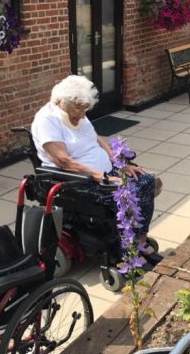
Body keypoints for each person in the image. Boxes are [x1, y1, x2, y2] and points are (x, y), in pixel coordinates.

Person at [31, 75, 160, 264]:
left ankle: (139, 241)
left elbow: (96, 138)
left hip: (103, 175)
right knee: (126, 192)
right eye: (78, 108)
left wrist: (120, 164)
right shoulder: (47, 121)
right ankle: (125, 249)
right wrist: (100, 176)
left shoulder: (76, 114)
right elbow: (63, 161)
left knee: (146, 180)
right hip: (77, 182)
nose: (82, 114)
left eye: (85, 109)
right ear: (59, 102)